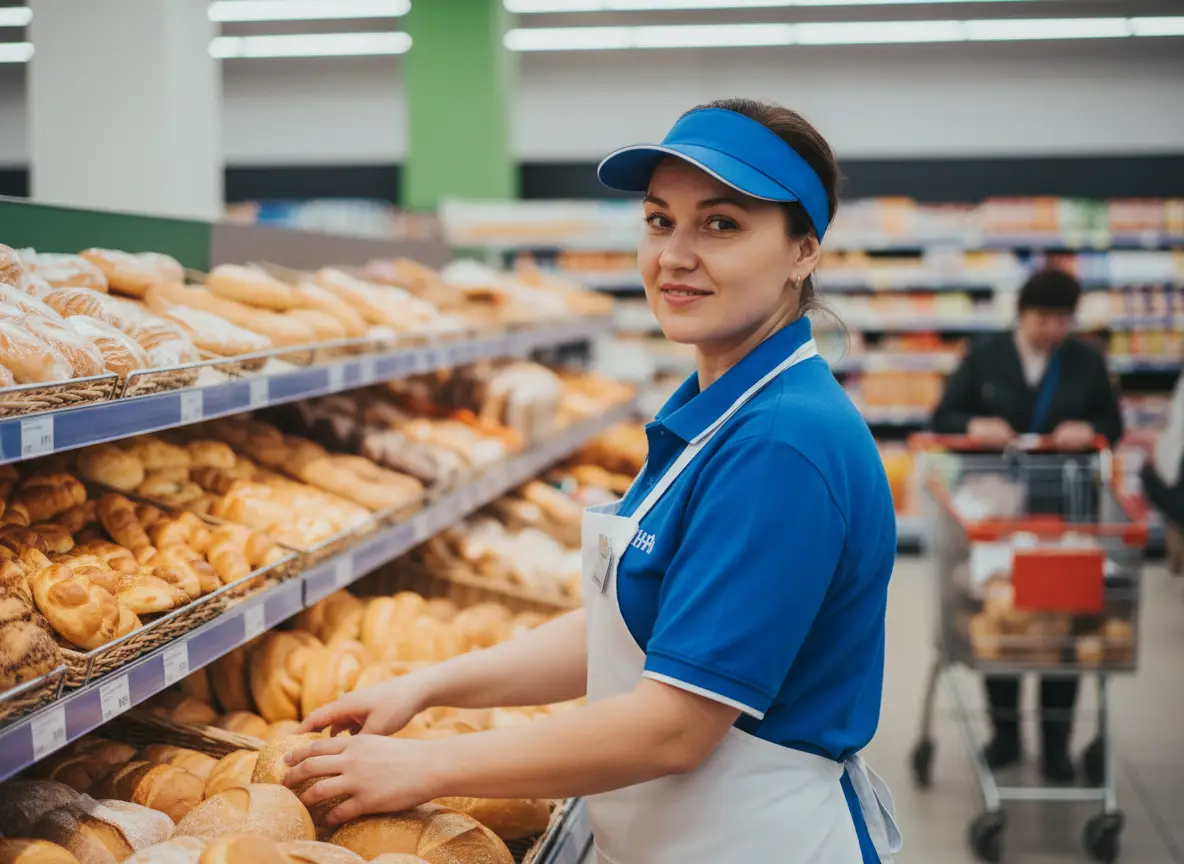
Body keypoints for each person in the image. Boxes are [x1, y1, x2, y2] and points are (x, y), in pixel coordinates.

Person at [284, 99, 902, 864]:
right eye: (658, 220)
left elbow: (672, 726)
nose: (675, 254)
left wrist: (423, 766)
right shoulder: (715, 406)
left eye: (721, 224)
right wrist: (427, 686)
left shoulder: (782, 443)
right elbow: (627, 628)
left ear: (802, 251)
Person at [930, 267, 1124, 783]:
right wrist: (974, 425)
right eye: (1044, 317)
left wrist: (1091, 430)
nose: (1053, 329)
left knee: (1063, 624)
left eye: (1063, 319)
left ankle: (1056, 744)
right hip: (998, 512)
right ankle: (1006, 734)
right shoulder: (985, 356)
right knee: (1003, 622)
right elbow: (943, 416)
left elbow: (1114, 424)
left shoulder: (1086, 362)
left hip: (1066, 516)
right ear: (1022, 314)